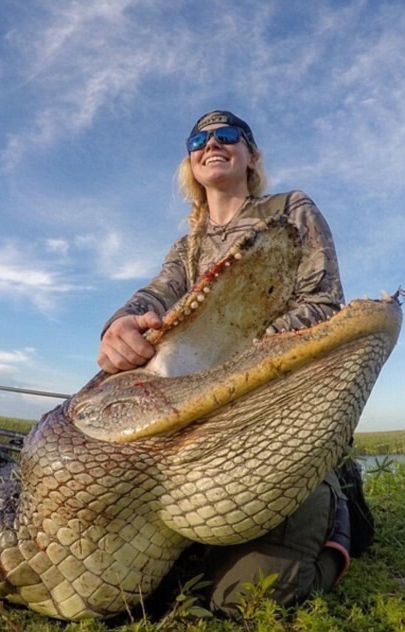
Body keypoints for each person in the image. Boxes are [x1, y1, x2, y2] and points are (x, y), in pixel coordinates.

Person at [97, 110, 365, 616]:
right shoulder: (188, 247)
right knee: (138, 578)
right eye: (199, 139)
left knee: (245, 596)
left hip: (280, 418)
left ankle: (339, 510)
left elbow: (324, 302)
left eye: (226, 136)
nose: (211, 144)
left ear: (250, 155)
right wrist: (121, 327)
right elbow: (155, 294)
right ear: (190, 161)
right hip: (203, 420)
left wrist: (232, 351)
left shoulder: (289, 210)